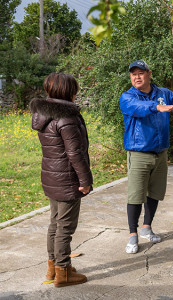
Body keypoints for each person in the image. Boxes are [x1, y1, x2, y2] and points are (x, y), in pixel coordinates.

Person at [120, 60, 173, 254]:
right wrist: (157, 107)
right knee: (136, 195)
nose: (137, 77)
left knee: (155, 193)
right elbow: (137, 108)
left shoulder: (163, 93)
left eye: (141, 73)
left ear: (149, 74)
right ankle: (132, 235)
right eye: (133, 73)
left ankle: (147, 227)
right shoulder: (127, 96)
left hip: (161, 152)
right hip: (139, 153)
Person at [30, 73, 93, 287]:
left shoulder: (46, 115)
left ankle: (53, 267)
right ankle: (63, 272)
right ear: (68, 91)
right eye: (75, 89)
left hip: (51, 176)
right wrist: (85, 180)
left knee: (55, 224)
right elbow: (74, 153)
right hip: (67, 178)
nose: (77, 93)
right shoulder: (66, 117)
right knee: (65, 227)